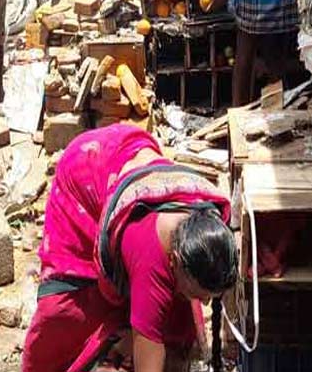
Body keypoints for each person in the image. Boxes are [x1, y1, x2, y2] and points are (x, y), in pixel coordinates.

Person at [22, 124, 238, 372]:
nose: (206, 303)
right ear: (175, 259)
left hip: (134, 159)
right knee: (67, 312)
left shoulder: (210, 230)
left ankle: (123, 339)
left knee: (174, 311)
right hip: (85, 169)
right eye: (201, 295)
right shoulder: (150, 253)